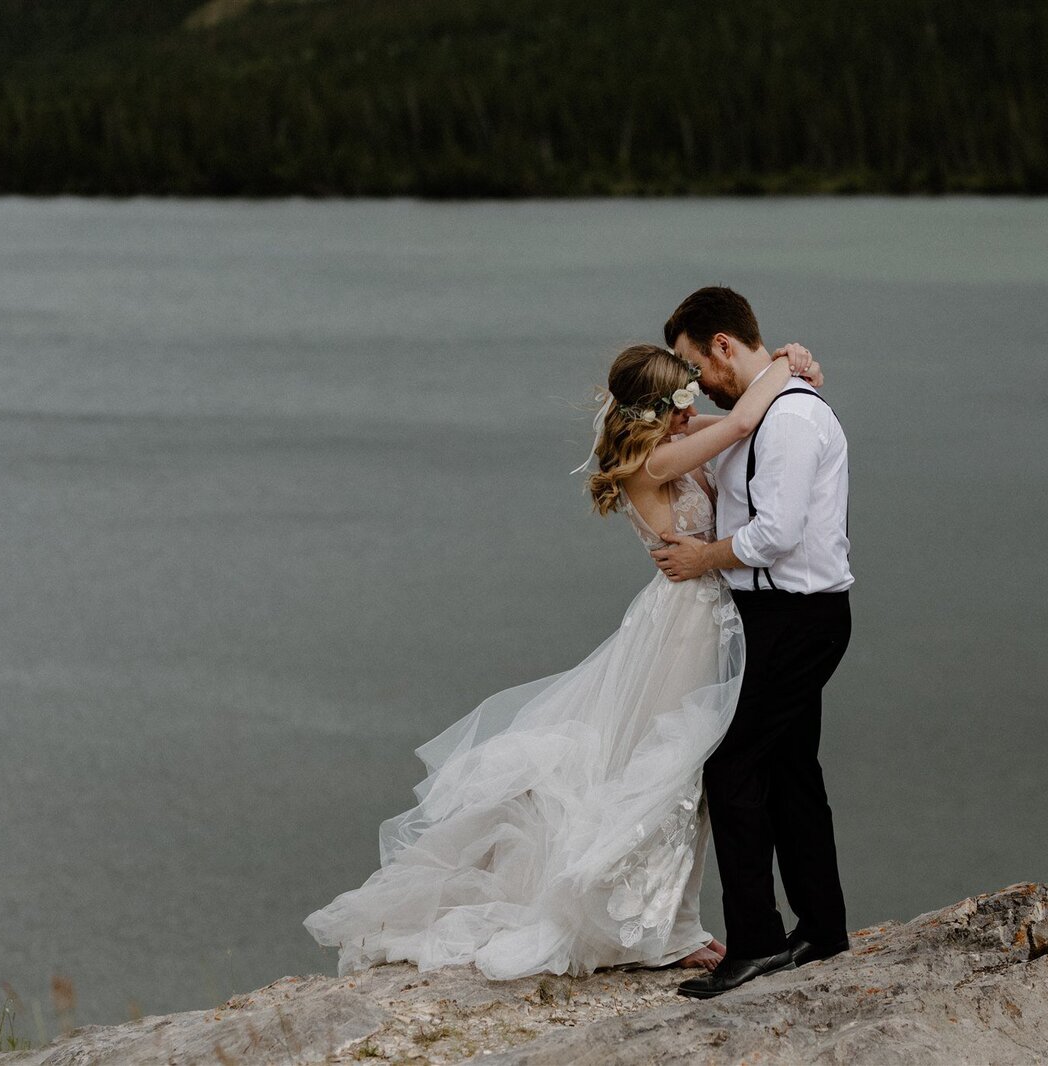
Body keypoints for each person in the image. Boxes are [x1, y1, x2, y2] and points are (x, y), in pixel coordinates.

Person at [302, 339, 823, 980]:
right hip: (685, 627)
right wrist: (783, 364)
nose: (694, 416)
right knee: (671, 774)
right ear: (659, 415)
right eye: (683, 407)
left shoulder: (665, 449)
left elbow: (746, 420)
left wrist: (783, 365)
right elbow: (744, 420)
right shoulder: (652, 463)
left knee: (683, 774)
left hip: (701, 619)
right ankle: (658, 929)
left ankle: (671, 920)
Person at [650, 286, 854, 999]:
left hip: (799, 616)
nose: (694, 380)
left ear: (724, 347)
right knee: (793, 769)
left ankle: (759, 943)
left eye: (694, 363)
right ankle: (823, 930)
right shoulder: (771, 404)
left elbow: (778, 534)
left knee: (733, 766)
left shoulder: (793, 418)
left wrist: (701, 559)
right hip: (776, 616)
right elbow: (713, 429)